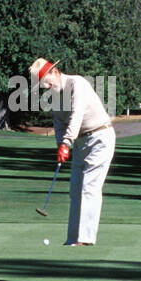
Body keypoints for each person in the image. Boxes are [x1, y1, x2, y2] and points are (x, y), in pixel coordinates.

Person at [30, 58, 115, 246]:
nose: (47, 87)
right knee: (75, 191)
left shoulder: (77, 84)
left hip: (100, 137)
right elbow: (59, 124)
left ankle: (85, 239)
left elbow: (76, 114)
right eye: (43, 86)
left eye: (48, 82)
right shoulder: (54, 98)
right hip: (80, 143)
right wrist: (61, 145)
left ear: (55, 72)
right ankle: (72, 239)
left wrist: (66, 142)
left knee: (89, 187)